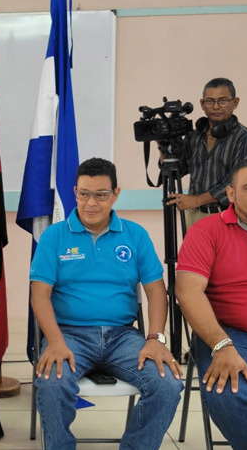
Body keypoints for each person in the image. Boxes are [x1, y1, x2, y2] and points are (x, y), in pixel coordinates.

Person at [30, 157, 183, 450]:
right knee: (51, 383)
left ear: (115, 193)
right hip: (69, 335)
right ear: (74, 192)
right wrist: (55, 341)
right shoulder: (54, 236)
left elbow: (155, 291)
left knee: (168, 383)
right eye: (84, 193)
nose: (91, 203)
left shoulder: (135, 235)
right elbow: (39, 294)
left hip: (124, 336)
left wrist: (155, 338)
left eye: (101, 194)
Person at [176, 157, 247, 450]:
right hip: (233, 336)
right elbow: (187, 292)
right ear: (232, 194)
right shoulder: (206, 230)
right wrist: (221, 345)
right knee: (226, 391)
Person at [167, 77, 247, 227]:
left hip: (229, 216)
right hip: (194, 215)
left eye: (222, 101)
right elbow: (177, 170)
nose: (216, 106)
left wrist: (197, 200)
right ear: (202, 104)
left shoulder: (244, 138)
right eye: (210, 101)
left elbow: (239, 182)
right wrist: (163, 144)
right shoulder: (195, 136)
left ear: (235, 102)